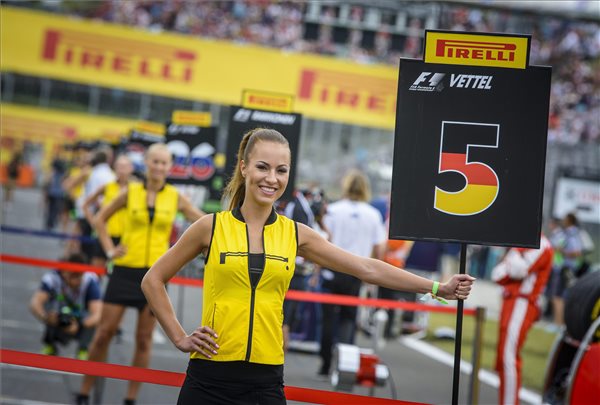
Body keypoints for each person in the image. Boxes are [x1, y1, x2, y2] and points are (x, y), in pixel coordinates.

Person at [140, 128, 475, 404]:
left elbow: (366, 268)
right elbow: (153, 279)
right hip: (208, 379)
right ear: (243, 168)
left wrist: (436, 287)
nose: (272, 178)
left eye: (281, 170)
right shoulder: (210, 227)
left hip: (265, 382)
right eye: (262, 167)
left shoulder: (296, 234)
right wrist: (179, 337)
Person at [75, 143, 204, 405]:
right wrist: (110, 250)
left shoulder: (175, 197)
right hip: (125, 270)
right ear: (146, 163)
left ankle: (130, 399)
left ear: (170, 167)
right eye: (155, 161)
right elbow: (100, 219)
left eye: (164, 163)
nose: (159, 167)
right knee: (103, 333)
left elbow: (205, 222)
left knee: (144, 340)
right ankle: (85, 391)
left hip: (156, 277)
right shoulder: (130, 192)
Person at [491, 234, 553, 405]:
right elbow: (497, 275)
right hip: (512, 301)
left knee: (508, 358)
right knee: (503, 358)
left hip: (523, 302)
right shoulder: (520, 242)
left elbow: (518, 271)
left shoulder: (541, 243)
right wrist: (516, 256)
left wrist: (513, 255)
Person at [29, 252, 102, 360]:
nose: (76, 280)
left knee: (94, 319)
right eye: (73, 275)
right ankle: (50, 344)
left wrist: (79, 325)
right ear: (64, 272)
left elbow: (98, 314)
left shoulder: (90, 281)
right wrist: (45, 317)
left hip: (79, 318)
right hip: (57, 315)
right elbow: (35, 303)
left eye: (79, 276)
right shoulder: (52, 278)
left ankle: (83, 348)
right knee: (47, 307)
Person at [82, 154, 135, 268]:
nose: (122, 170)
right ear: (115, 168)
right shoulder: (108, 186)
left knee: (120, 269)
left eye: (125, 167)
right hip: (105, 234)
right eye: (119, 167)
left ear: (131, 168)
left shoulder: (135, 189)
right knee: (97, 268)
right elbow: (86, 204)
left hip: (125, 236)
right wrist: (94, 222)